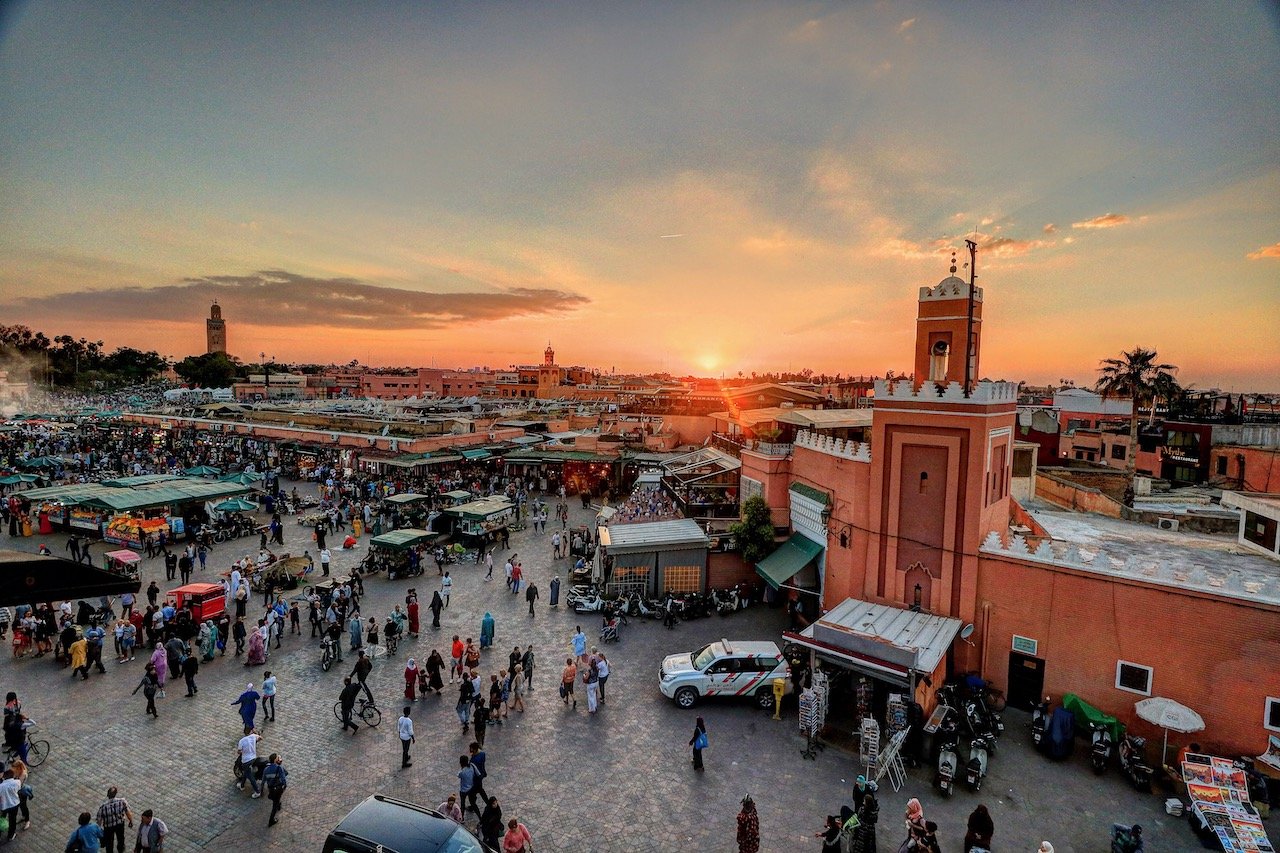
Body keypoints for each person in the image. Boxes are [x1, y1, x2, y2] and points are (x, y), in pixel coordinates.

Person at [96, 786, 134, 853]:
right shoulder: (122, 801)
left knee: (109, 843)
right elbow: (127, 812)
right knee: (120, 838)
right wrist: (130, 820)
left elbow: (99, 821)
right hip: (120, 824)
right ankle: (120, 850)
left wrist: (100, 831)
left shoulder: (103, 807)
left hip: (108, 827)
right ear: (116, 793)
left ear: (107, 795)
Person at [850, 776, 879, 853]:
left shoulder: (867, 789)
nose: (858, 784)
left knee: (863, 844)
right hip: (858, 806)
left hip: (864, 830)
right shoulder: (856, 787)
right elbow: (854, 797)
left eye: (859, 782)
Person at [237, 728, 263, 797]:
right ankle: (242, 785)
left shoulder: (242, 741)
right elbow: (260, 738)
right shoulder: (254, 736)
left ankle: (257, 791)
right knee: (246, 771)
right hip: (253, 757)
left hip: (246, 760)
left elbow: (239, 751)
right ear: (250, 731)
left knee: (249, 776)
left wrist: (243, 751)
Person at [0, 770, 19, 844]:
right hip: (14, 804)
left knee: (2, 819)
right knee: (12, 820)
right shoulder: (17, 782)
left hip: (4, 806)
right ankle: (11, 835)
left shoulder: (1, 786)